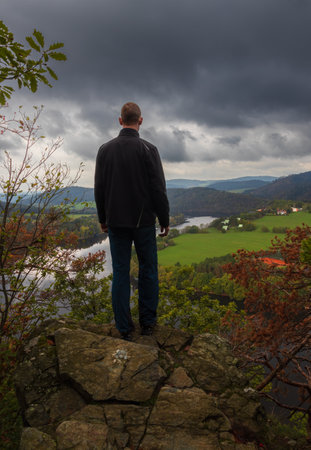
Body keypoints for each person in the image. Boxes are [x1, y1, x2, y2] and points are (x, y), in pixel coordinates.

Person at [94, 102, 170, 340]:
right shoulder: (149, 149)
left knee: (120, 272)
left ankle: (124, 327)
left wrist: (103, 218)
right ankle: (147, 324)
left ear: (120, 120)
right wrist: (164, 218)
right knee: (148, 270)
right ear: (140, 120)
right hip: (144, 223)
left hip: (116, 222)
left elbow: (100, 188)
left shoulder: (105, 150)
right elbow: (158, 188)